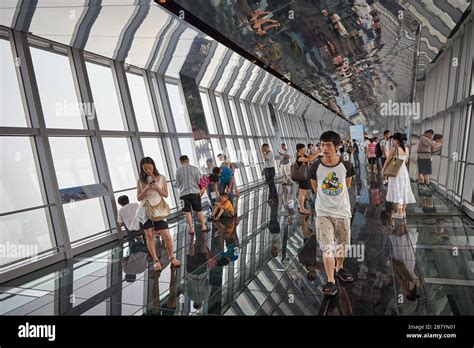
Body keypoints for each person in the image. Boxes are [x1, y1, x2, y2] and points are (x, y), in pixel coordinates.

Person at [309, 131, 355, 296]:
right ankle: (330, 280)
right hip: (323, 212)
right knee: (327, 247)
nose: (324, 148)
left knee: (342, 244)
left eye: (328, 145)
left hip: (342, 211)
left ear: (337, 146)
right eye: (322, 145)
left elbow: (347, 185)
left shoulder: (347, 166)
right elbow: (315, 187)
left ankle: (340, 268)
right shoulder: (315, 166)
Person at [136, 157, 180, 271]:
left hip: (159, 210)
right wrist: (146, 188)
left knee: (167, 237)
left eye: (149, 168)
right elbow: (139, 197)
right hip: (145, 211)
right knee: (149, 236)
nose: (148, 171)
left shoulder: (162, 178)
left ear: (153, 166)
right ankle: (155, 260)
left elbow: (165, 194)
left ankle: (172, 257)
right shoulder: (141, 180)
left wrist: (156, 188)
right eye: (145, 169)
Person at [382, 133, 416, 219]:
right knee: (404, 190)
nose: (393, 141)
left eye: (393, 139)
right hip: (404, 171)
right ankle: (403, 211)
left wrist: (383, 169)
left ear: (396, 140)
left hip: (396, 171)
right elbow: (406, 161)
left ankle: (399, 212)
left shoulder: (394, 148)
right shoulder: (407, 149)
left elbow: (388, 160)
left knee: (397, 190)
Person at [175, 155, 208, 235]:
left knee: (187, 212)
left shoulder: (178, 171)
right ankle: (203, 226)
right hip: (194, 193)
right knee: (199, 210)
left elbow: (177, 184)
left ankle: (191, 229)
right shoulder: (195, 169)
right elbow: (199, 181)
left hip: (183, 194)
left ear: (181, 161)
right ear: (188, 160)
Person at [295, 143, 321, 215]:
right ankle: (302, 209)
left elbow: (310, 156)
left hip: (305, 176)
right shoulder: (299, 158)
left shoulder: (304, 155)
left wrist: (317, 152)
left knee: (304, 193)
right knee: (302, 193)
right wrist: (317, 153)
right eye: (303, 148)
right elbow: (309, 159)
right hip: (302, 178)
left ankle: (302, 207)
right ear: (299, 150)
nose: (305, 149)